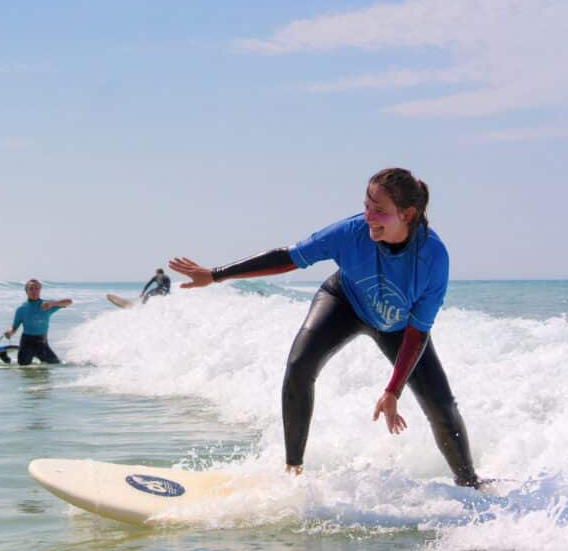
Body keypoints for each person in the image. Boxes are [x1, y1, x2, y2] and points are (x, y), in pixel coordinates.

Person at [169, 168, 481, 488]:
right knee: (299, 366)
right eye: (366, 205)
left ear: (407, 213)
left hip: (399, 327)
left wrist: (392, 390)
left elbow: (417, 332)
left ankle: (471, 485)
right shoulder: (350, 232)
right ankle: (293, 472)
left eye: (380, 211)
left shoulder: (432, 257)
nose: (368, 216)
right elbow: (289, 257)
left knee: (441, 406)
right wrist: (216, 274)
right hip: (344, 302)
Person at [1, 279, 73, 365]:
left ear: (40, 290)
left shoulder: (47, 304)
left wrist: (52, 304)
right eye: (31, 288)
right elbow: (14, 327)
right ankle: (5, 357)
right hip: (26, 343)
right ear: (26, 291)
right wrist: (9, 332)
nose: (34, 291)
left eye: (37, 288)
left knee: (56, 365)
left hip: (42, 343)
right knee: (23, 370)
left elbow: (69, 302)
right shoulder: (21, 309)